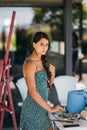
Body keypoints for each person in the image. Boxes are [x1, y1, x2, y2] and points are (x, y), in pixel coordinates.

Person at [20, 31, 63, 130]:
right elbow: (32, 91)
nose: (45, 47)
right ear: (34, 45)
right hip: (32, 111)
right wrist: (50, 108)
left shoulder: (42, 61)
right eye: (41, 44)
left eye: (47, 45)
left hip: (43, 109)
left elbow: (45, 87)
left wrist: (52, 75)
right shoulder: (30, 64)